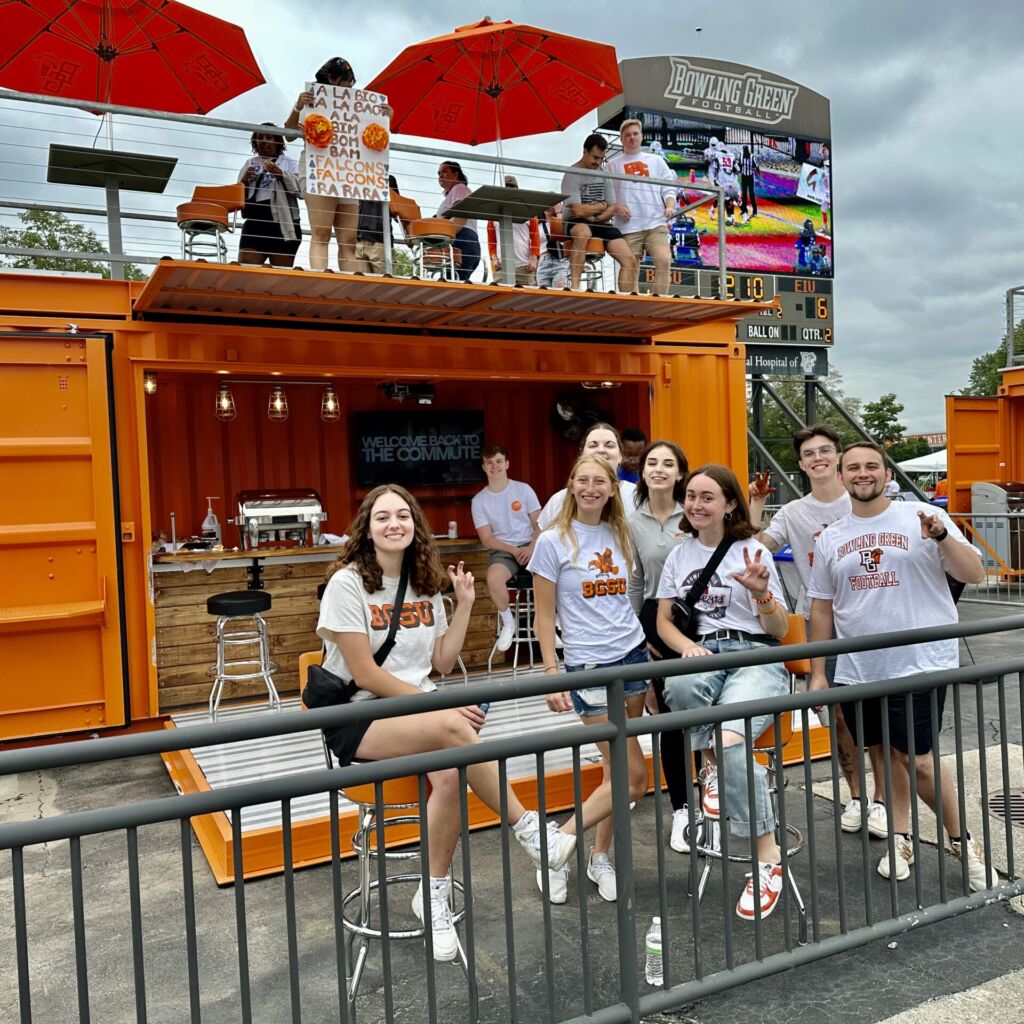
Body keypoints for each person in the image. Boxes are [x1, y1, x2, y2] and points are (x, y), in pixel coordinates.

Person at [316, 484, 576, 960]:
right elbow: (366, 674)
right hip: (358, 716)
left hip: (418, 712)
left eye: (403, 516)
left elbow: (439, 662)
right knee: (459, 729)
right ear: (366, 528)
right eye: (382, 517)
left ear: (415, 524)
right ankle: (531, 831)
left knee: (450, 773)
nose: (394, 524)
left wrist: (465, 605)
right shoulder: (347, 584)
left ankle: (431, 895)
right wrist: (438, 711)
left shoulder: (423, 583)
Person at [807, 442, 994, 892]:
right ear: (841, 474)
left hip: (918, 662)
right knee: (883, 756)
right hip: (858, 667)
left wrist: (943, 537)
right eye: (853, 467)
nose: (862, 473)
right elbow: (821, 611)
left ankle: (963, 842)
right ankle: (901, 836)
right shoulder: (832, 537)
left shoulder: (925, 518)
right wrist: (817, 673)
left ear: (886, 473)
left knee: (920, 761)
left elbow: (976, 574)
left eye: (871, 465)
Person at [656, 464, 793, 921]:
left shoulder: (753, 551)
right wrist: (688, 647)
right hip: (704, 653)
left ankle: (767, 859)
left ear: (730, 503)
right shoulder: (679, 556)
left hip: (754, 654)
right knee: (677, 682)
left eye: (707, 497)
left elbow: (779, 629)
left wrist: (761, 596)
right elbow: (663, 622)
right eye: (690, 496)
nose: (695, 504)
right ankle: (711, 767)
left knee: (733, 742)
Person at [748, 425, 889, 838]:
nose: (818, 458)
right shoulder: (793, 513)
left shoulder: (861, 500)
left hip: (867, 617)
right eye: (809, 453)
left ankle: (881, 800)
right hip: (819, 620)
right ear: (802, 462)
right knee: (839, 714)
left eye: (825, 450)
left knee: (875, 713)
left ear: (838, 456)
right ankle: (857, 794)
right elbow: (756, 547)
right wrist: (756, 504)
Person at [529, 453, 650, 903]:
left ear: (613, 488)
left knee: (611, 770)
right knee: (633, 776)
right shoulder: (552, 540)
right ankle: (553, 847)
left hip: (633, 657)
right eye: (583, 480)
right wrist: (551, 672)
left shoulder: (621, 531)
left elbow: (628, 595)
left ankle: (600, 858)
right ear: (571, 484)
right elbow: (544, 616)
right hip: (588, 666)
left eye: (601, 481)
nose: (592, 488)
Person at [626, 439, 705, 855]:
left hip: (700, 616)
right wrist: (639, 635)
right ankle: (682, 808)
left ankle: (713, 794)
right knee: (670, 714)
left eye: (667, 463)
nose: (658, 469)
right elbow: (636, 579)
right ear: (642, 471)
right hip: (656, 620)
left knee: (706, 707)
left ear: (680, 472)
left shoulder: (692, 511)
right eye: (651, 462)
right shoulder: (630, 520)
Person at [285, 57, 362, 274]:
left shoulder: (356, 105)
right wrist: (298, 106)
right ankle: (320, 279)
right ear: (331, 77)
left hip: (348, 171)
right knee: (321, 232)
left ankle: (350, 286)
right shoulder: (312, 99)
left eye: (350, 81)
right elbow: (289, 134)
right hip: (318, 167)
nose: (348, 85)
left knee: (349, 240)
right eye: (344, 80)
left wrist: (384, 117)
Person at [471, 445, 542, 652]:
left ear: (507, 464)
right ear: (484, 467)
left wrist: (530, 547)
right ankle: (509, 623)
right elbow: (487, 539)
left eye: (499, 461)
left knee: (550, 572)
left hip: (531, 545)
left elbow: (540, 525)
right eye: (489, 463)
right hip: (503, 550)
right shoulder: (479, 501)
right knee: (493, 578)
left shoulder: (523, 489)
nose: (495, 466)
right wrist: (513, 550)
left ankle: (545, 622)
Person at [605, 119, 676, 295]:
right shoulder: (611, 165)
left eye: (635, 133)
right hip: (628, 225)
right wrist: (616, 206)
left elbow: (669, 187)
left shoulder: (656, 160)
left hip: (655, 222)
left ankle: (659, 304)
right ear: (621, 139)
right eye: (627, 135)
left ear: (641, 136)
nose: (632, 137)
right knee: (630, 266)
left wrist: (669, 206)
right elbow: (606, 194)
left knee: (664, 260)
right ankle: (631, 308)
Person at [559, 133, 637, 293]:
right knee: (583, 232)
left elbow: (613, 207)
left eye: (602, 158)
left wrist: (596, 215)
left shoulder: (604, 174)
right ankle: (575, 288)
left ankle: (626, 299)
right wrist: (600, 207)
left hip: (601, 222)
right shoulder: (572, 174)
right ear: (585, 152)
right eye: (595, 157)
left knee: (629, 259)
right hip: (575, 223)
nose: (598, 162)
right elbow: (576, 211)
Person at [537, 422, 637, 530]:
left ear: (620, 456)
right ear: (582, 454)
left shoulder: (637, 496)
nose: (601, 450)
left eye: (609, 445)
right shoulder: (559, 500)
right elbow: (537, 543)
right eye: (593, 445)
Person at [237, 124, 302, 268]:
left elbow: (300, 190)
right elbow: (237, 192)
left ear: (277, 140)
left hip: (283, 221)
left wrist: (281, 174)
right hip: (255, 220)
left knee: (281, 274)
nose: (264, 141)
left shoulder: (289, 162)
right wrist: (244, 180)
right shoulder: (250, 163)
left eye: (269, 137)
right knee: (247, 268)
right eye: (260, 137)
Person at [486, 175, 540, 285]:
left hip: (525, 266)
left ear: (516, 190)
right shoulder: (493, 215)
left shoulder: (529, 213)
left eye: (511, 188)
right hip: (501, 266)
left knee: (526, 299)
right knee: (502, 298)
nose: (508, 192)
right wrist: (494, 259)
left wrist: (534, 259)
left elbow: (535, 237)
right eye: (505, 188)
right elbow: (491, 241)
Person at [436, 161, 480, 282]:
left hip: (461, 240)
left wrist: (442, 237)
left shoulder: (460, 189)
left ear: (456, 175)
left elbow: (461, 217)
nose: (440, 175)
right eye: (439, 173)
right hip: (463, 240)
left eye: (445, 172)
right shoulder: (452, 195)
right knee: (454, 282)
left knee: (453, 284)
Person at [352, 173, 399, 275]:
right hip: (360, 241)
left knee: (385, 286)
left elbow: (397, 209)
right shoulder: (357, 178)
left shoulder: (388, 179)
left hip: (380, 242)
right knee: (362, 286)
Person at [536, 204, 570, 289]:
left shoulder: (562, 221)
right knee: (543, 294)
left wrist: (559, 212)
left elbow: (563, 232)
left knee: (561, 291)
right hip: (543, 261)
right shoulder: (538, 225)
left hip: (559, 261)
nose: (547, 207)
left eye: (552, 205)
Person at [738, 144, 759, 222]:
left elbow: (757, 167)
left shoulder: (752, 157)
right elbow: (739, 164)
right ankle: (744, 211)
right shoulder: (741, 155)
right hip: (744, 177)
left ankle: (755, 211)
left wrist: (760, 178)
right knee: (744, 195)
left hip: (750, 177)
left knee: (751, 194)